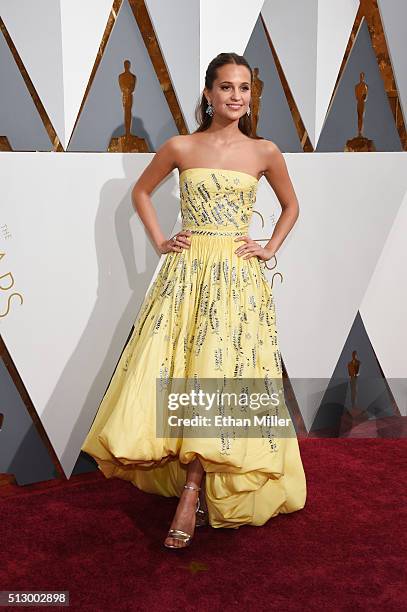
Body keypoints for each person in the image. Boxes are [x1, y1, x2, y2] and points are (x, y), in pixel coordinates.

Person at [81, 52, 307, 549]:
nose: (236, 96)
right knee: (184, 371)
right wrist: (162, 240)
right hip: (187, 273)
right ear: (208, 93)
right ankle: (191, 481)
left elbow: (292, 206)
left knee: (219, 374)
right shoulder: (180, 146)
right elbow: (140, 193)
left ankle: (191, 490)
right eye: (226, 87)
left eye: (244, 88)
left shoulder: (265, 151)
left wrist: (268, 248)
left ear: (251, 96)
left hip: (237, 279)